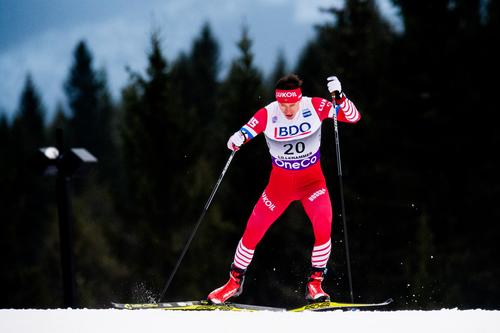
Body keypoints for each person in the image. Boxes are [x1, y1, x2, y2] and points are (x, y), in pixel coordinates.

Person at [208, 74, 361, 304]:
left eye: (292, 105)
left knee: (323, 223)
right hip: (279, 188)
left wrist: (340, 97)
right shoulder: (269, 113)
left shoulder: (315, 106)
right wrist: (237, 139)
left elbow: (353, 116)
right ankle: (233, 283)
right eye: (283, 105)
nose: (288, 110)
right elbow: (245, 132)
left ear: (300, 99)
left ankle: (315, 284)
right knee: (253, 231)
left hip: (312, 185)